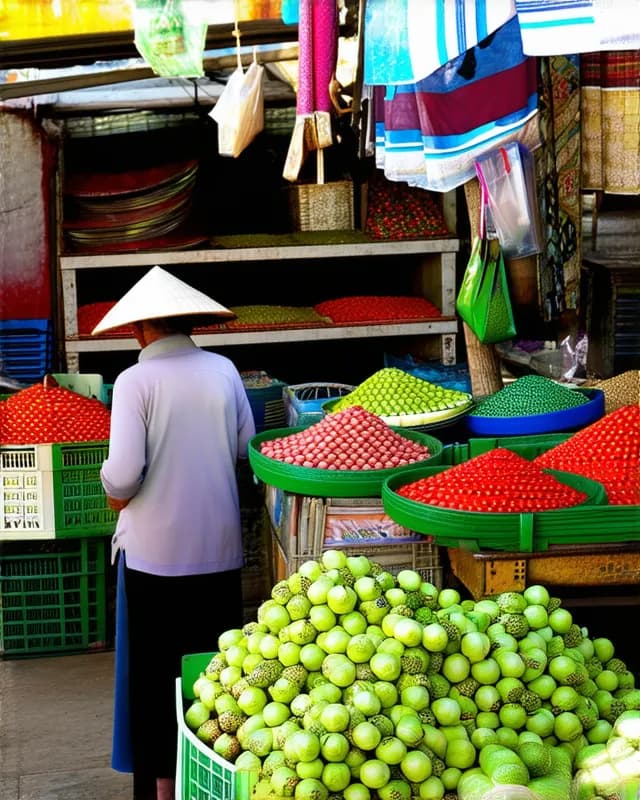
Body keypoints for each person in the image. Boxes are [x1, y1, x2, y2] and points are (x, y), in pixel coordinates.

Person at [92, 266, 257, 800]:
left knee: (155, 679)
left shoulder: (136, 381)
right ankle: (213, 776)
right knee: (214, 673)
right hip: (218, 549)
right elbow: (244, 449)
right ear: (189, 322)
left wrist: (113, 490)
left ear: (140, 329)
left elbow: (122, 474)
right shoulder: (224, 370)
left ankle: (164, 788)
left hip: (153, 559)